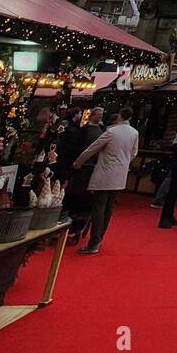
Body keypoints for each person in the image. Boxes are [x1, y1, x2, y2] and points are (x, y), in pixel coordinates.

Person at [72, 107, 139, 256]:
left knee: (99, 207)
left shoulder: (111, 132)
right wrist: (124, 163)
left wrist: (78, 162)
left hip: (106, 172)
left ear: (120, 116)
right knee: (109, 208)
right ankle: (99, 237)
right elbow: (134, 153)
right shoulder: (134, 133)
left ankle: (94, 242)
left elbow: (92, 148)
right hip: (120, 174)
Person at [63, 106, 104, 245]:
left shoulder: (102, 130)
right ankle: (70, 227)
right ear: (92, 115)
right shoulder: (84, 130)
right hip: (82, 167)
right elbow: (79, 148)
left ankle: (77, 228)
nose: (101, 116)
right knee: (75, 196)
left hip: (93, 168)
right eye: (99, 114)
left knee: (85, 200)